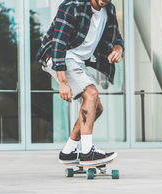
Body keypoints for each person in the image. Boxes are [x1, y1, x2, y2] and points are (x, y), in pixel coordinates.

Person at [36, 0, 124, 166]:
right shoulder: (71, 6)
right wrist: (63, 82)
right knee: (91, 94)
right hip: (59, 57)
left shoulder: (109, 10)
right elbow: (58, 44)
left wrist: (117, 49)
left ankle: (68, 151)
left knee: (96, 108)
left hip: (78, 61)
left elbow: (116, 38)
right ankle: (87, 152)